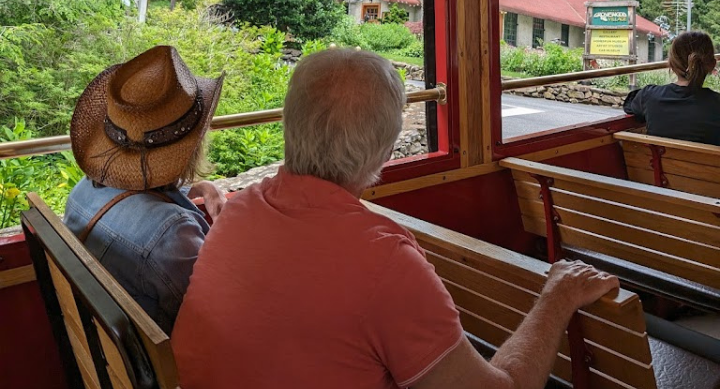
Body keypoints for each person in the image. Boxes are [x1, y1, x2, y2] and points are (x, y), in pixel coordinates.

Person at [172, 48, 618, 389]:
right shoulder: (385, 262)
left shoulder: (238, 211)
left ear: (289, 125)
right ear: (386, 151)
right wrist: (556, 298)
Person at [63, 45, 226, 333]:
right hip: (166, 370)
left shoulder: (82, 193)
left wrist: (200, 188)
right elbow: (217, 316)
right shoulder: (171, 235)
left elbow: (136, 212)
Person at [624, 30, 720, 144]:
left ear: (671, 64)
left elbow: (630, 106)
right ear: (712, 64)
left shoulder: (648, 96)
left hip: (659, 161)